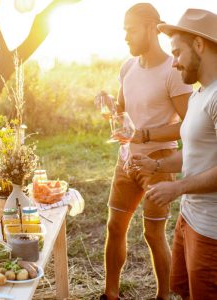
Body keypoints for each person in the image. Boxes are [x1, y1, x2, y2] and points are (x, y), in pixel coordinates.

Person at [98, 3, 193, 300]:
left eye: (131, 30)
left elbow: (187, 126)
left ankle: (162, 296)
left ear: (152, 28)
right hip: (127, 160)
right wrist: (111, 108)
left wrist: (145, 134)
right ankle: (110, 294)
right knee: (115, 226)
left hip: (161, 163)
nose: (126, 37)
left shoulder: (173, 70)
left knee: (152, 234)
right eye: (124, 30)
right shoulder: (127, 67)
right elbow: (123, 113)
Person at [130, 8, 217, 299]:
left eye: (177, 53)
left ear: (199, 45)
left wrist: (177, 187)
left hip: (211, 231)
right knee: (184, 291)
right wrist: (157, 164)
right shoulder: (198, 95)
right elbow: (194, 152)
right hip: (189, 219)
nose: (175, 63)